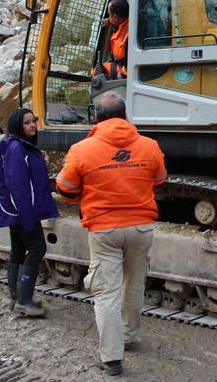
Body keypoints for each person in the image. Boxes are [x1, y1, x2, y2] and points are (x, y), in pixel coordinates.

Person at [56, 91, 166, 377]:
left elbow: (65, 188)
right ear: (125, 115)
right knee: (133, 285)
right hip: (141, 228)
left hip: (105, 229)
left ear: (96, 117)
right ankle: (128, 337)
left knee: (106, 291)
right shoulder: (151, 146)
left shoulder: (82, 149)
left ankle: (111, 357)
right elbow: (160, 181)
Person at [0, 107, 59, 317]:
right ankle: (24, 300)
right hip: (20, 210)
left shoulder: (18, 147)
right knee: (37, 248)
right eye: (27, 123)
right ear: (18, 126)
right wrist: (27, 217)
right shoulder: (17, 150)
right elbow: (18, 185)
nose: (32, 126)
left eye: (33, 122)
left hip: (17, 210)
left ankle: (17, 296)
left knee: (18, 251)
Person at [95, 0, 129, 80]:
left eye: (109, 14)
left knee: (97, 73)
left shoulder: (128, 36)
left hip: (124, 70)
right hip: (117, 63)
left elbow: (130, 62)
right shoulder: (125, 21)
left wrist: (121, 74)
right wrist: (110, 21)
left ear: (115, 17)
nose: (108, 17)